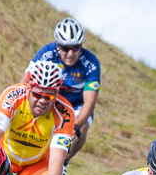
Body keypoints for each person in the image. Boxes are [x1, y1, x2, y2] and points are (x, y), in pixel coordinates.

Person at [26, 17, 101, 162]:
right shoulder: (47, 53)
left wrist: (76, 126)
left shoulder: (91, 62)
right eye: (66, 49)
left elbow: (90, 102)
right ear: (58, 46)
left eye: (75, 48)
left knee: (82, 127)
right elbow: (25, 82)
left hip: (76, 105)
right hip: (52, 100)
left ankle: (62, 162)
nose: (70, 54)